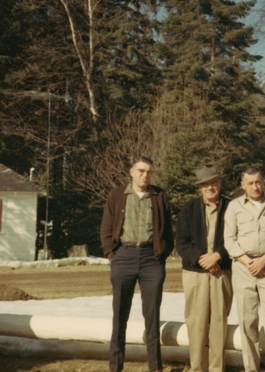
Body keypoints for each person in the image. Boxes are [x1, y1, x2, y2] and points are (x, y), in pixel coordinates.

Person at [100, 156, 174, 372]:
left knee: (152, 317)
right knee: (120, 315)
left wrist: (161, 255)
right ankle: (116, 367)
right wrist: (112, 255)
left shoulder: (159, 195)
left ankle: (155, 368)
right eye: (141, 171)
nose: (145, 175)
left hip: (152, 259)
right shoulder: (117, 195)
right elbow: (106, 228)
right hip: (123, 255)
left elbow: (168, 231)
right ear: (131, 172)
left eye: (149, 172)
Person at [223, 168, 265, 372]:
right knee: (247, 321)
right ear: (243, 185)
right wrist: (249, 262)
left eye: (258, 182)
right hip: (243, 268)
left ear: (264, 182)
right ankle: (252, 368)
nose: (255, 187)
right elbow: (229, 239)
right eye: (250, 183)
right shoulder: (234, 206)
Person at [175, 165, 233, 372]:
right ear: (199, 186)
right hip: (195, 273)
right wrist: (201, 259)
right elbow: (181, 242)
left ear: (219, 183)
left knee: (218, 322)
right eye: (205, 184)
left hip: (222, 272)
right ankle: (197, 368)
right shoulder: (189, 208)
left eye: (213, 182)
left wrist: (218, 256)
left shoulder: (231, 207)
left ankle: (217, 368)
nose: (210, 187)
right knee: (196, 323)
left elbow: (237, 238)